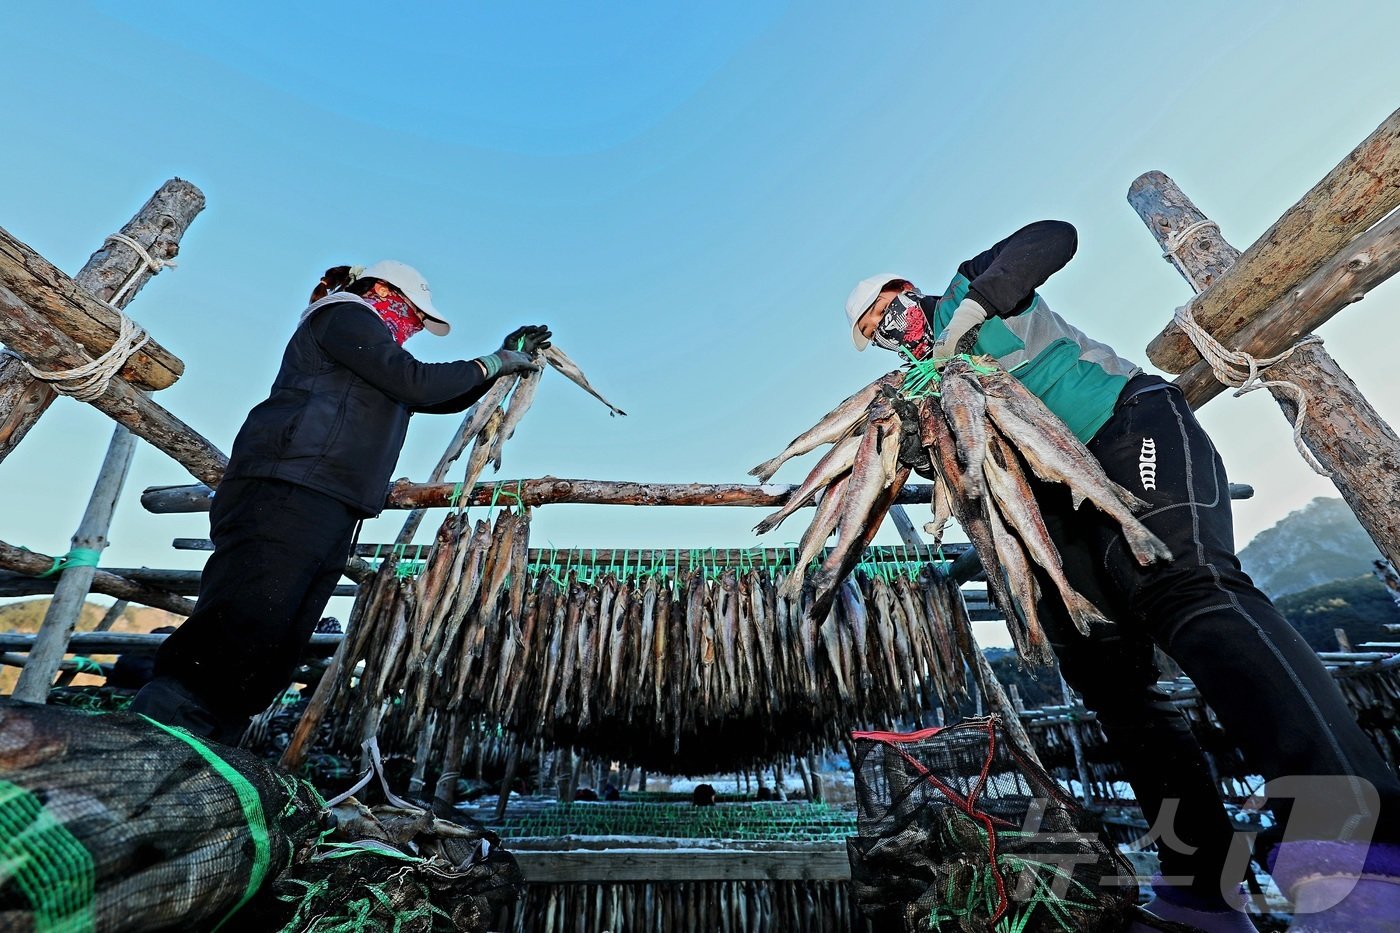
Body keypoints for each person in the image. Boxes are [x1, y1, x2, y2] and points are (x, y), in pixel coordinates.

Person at [846, 220, 1400, 931]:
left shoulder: (966, 288)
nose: (891, 330)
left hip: (1125, 428)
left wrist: (980, 304)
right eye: (876, 333)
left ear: (904, 291)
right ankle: (1202, 887)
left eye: (887, 312)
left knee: (1188, 591)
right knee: (1106, 678)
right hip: (1051, 507)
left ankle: (1360, 842)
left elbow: (1054, 236)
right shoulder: (918, 387)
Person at [132, 260, 550, 745]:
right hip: (288, 485)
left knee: (279, 638)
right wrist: (491, 362)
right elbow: (416, 382)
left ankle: (212, 749)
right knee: (243, 620)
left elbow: (435, 395)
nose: (412, 325)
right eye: (411, 312)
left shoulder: (375, 355)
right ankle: (159, 737)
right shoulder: (343, 315)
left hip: (332, 499)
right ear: (380, 289)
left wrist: (495, 364)